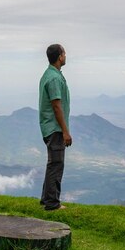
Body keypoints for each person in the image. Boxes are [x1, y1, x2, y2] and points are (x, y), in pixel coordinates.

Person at [38, 44, 71, 211]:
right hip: (54, 128)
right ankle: (52, 203)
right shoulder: (54, 78)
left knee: (53, 163)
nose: (66, 55)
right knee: (57, 164)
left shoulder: (51, 74)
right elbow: (56, 106)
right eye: (64, 53)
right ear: (60, 56)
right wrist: (65, 131)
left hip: (49, 126)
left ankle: (46, 199)